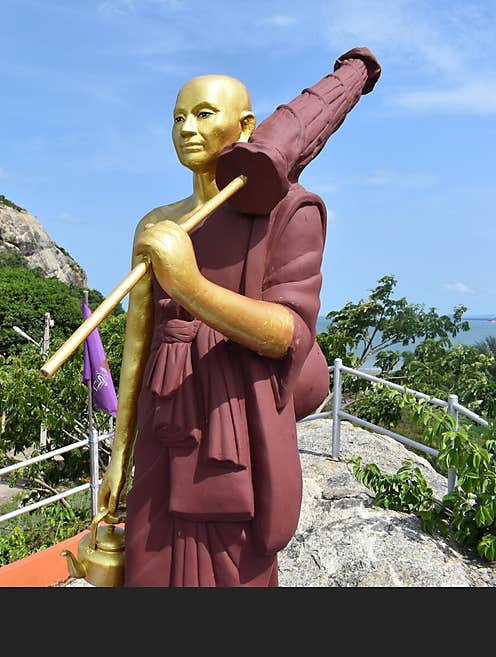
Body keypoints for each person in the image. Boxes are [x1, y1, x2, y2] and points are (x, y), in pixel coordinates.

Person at [97, 74, 327, 587]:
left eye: (204, 114)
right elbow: (138, 345)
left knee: (233, 570)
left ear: (245, 126)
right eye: (177, 118)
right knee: (150, 559)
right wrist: (120, 456)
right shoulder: (157, 225)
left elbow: (289, 332)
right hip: (165, 421)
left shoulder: (291, 211)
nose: (186, 128)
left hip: (234, 427)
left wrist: (190, 285)